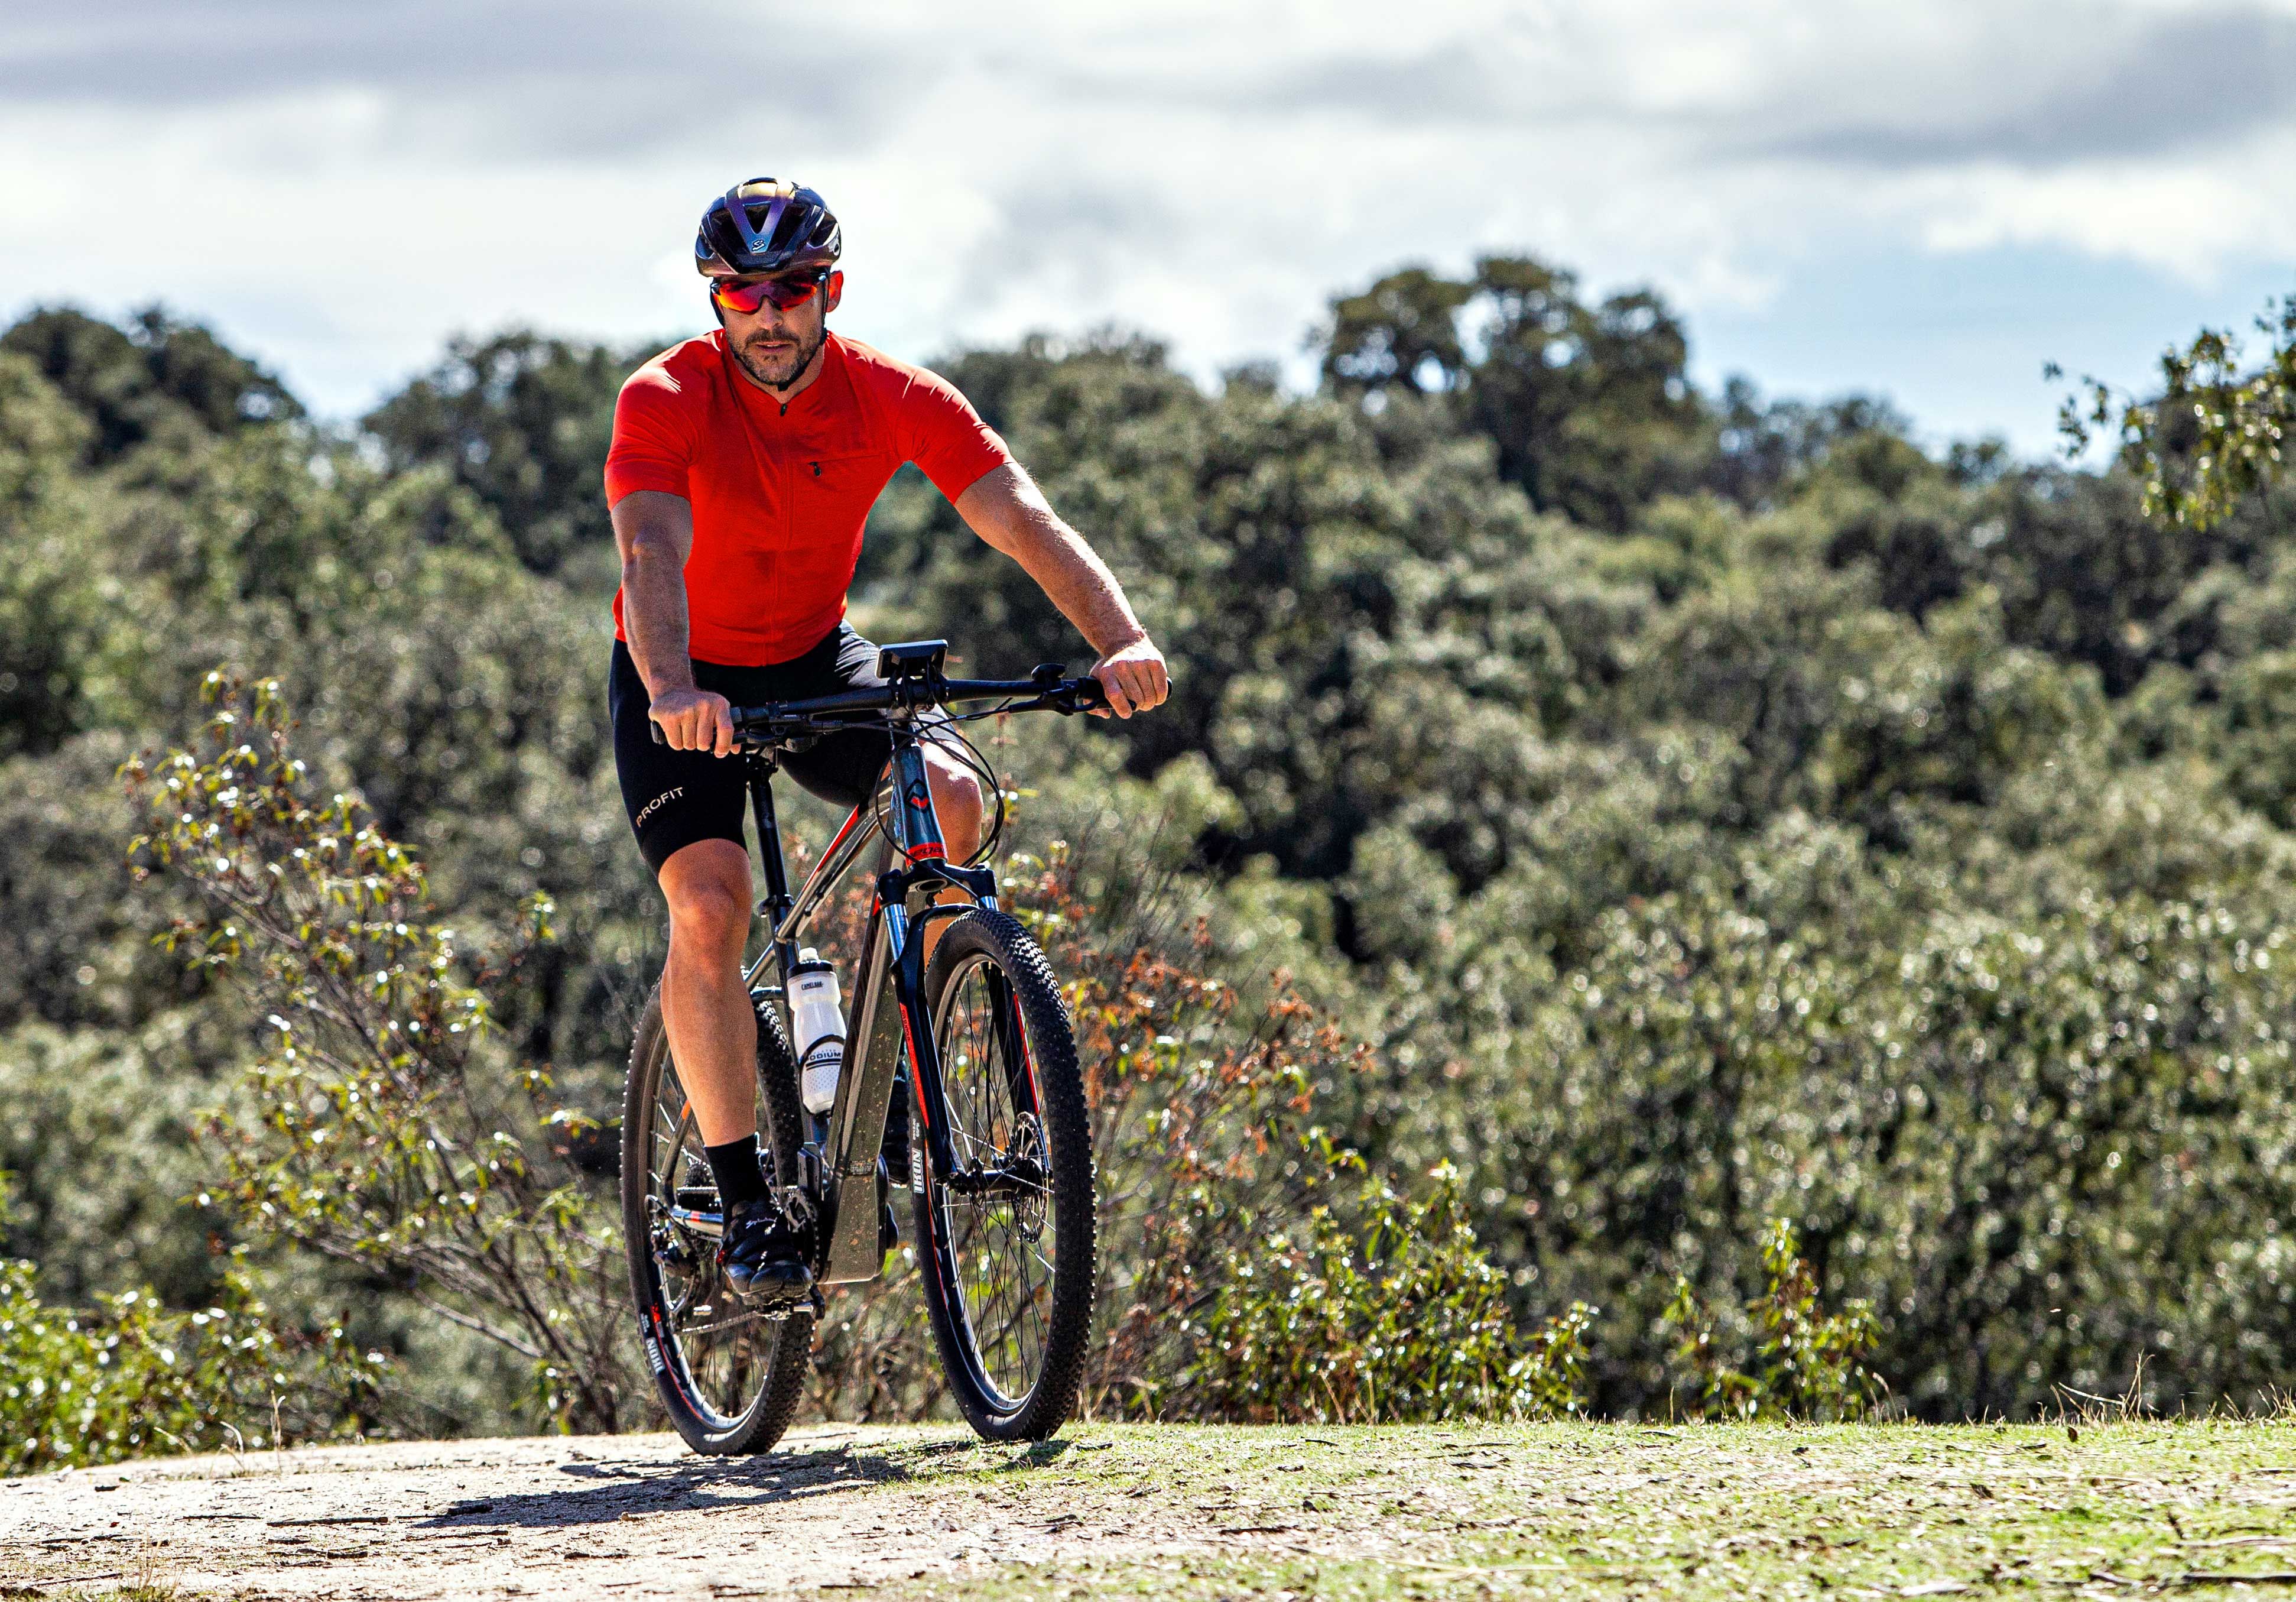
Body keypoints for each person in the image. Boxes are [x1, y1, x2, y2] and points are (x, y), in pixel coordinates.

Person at [606, 177, 1169, 1306]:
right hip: (683, 679)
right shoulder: (664, 395)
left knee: (951, 794)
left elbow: (1019, 516)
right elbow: (650, 549)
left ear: (831, 291)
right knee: (710, 906)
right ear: (715, 301)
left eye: (793, 290)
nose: (769, 315)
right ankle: (747, 1202)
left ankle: (894, 1058)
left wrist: (1121, 639)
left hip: (815, 655)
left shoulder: (891, 394)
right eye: (744, 294)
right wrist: (672, 684)